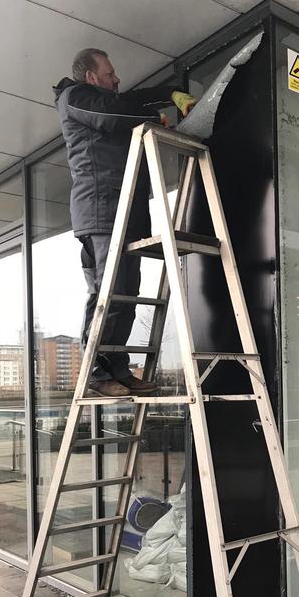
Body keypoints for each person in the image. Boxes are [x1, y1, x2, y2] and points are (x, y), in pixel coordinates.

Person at [53, 48, 196, 397]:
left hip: (125, 212)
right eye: (110, 73)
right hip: (101, 211)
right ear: (91, 77)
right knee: (109, 292)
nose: (116, 79)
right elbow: (112, 114)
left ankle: (116, 368)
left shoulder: (105, 100)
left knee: (127, 295)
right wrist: (154, 118)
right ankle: (96, 373)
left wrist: (171, 94)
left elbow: (131, 101)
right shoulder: (75, 97)